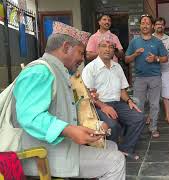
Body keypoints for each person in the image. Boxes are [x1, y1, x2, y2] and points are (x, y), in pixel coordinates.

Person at [13, 21, 125, 179]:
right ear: (66, 47)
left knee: (111, 146)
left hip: (57, 146)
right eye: (80, 52)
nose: (82, 58)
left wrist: (95, 126)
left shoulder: (60, 73)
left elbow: (63, 112)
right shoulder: (39, 72)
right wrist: (69, 130)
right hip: (41, 153)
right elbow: (30, 116)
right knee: (116, 160)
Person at [82, 38, 145, 160]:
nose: (107, 49)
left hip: (117, 103)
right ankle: (111, 154)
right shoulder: (90, 68)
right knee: (112, 125)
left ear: (114, 51)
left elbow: (122, 90)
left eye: (111, 47)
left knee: (139, 118)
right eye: (104, 46)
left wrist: (129, 101)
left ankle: (125, 149)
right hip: (98, 105)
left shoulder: (117, 67)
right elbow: (87, 95)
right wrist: (104, 106)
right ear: (98, 49)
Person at [125, 14, 168, 138]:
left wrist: (156, 59)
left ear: (152, 26)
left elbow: (165, 58)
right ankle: (138, 129)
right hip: (139, 78)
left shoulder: (158, 42)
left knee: (154, 104)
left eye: (147, 23)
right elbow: (127, 59)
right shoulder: (134, 42)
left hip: (155, 77)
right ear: (140, 25)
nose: (145, 25)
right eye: (143, 23)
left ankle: (153, 128)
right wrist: (135, 54)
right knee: (138, 105)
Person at [151, 17, 169, 124]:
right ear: (153, 26)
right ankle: (151, 116)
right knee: (152, 94)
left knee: (166, 93)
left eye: (161, 24)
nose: (159, 26)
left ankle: (167, 115)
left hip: (165, 70)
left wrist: (164, 53)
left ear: (164, 26)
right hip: (152, 70)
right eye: (157, 24)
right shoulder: (149, 38)